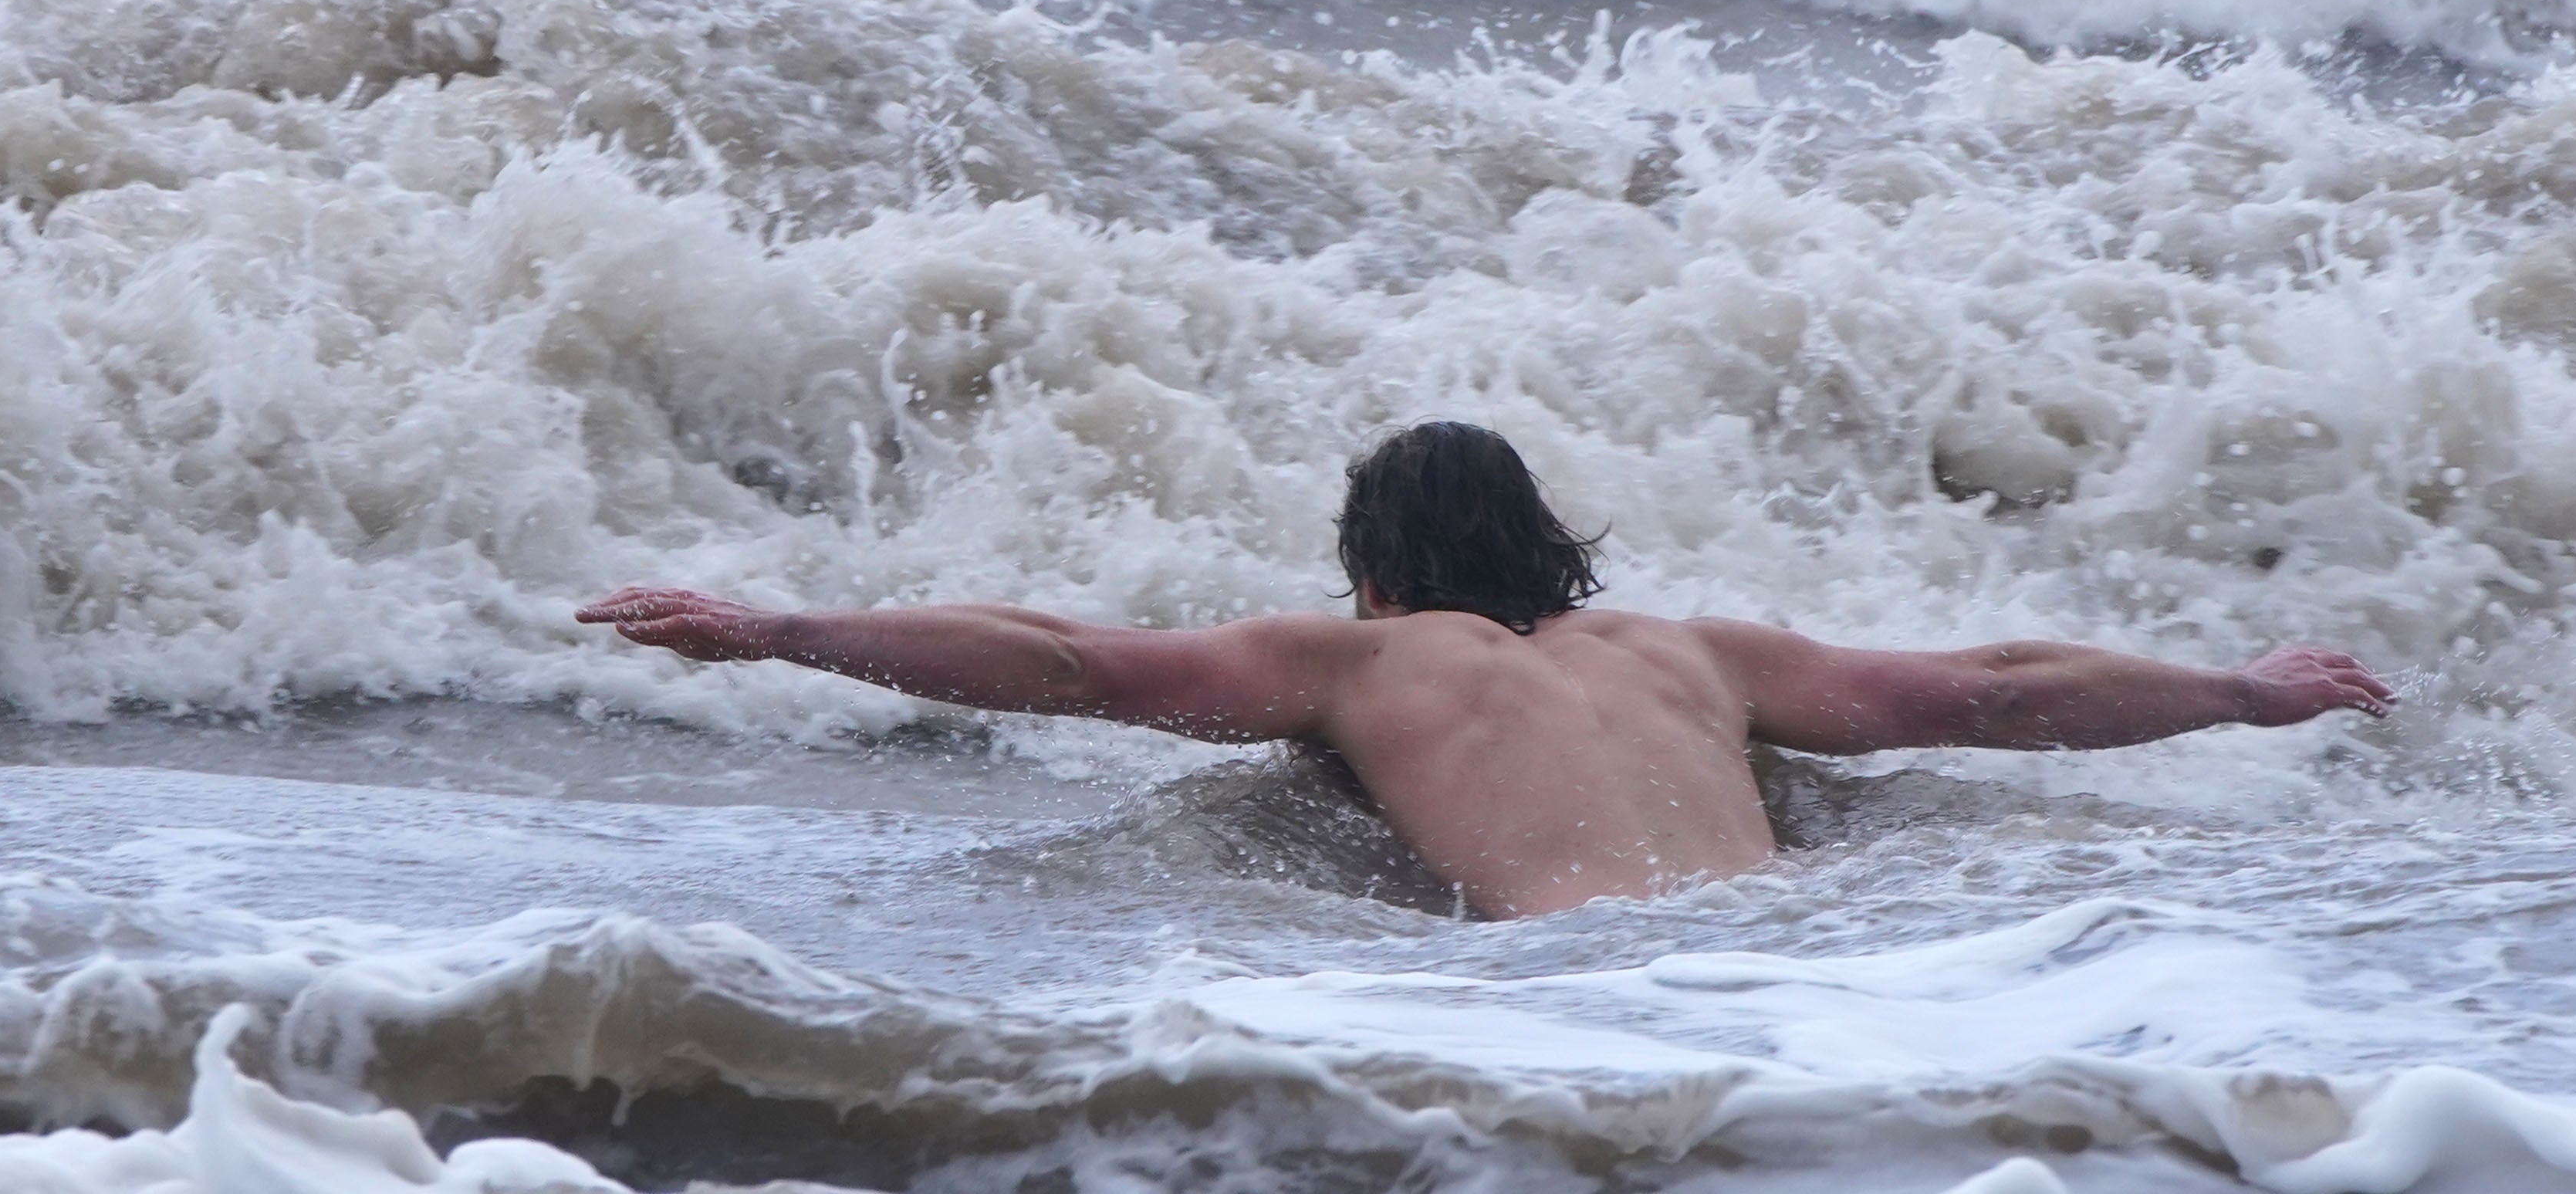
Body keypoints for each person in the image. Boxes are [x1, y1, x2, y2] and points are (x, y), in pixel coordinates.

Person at [579, 420, 2394, 918]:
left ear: (1369, 568)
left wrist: (784, 627)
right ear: (1554, 550)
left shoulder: (1352, 663)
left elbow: (1072, 666)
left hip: (1581, 994)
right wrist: (2239, 691)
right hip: (1805, 965)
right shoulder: (1696, 652)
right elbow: (1993, 690)